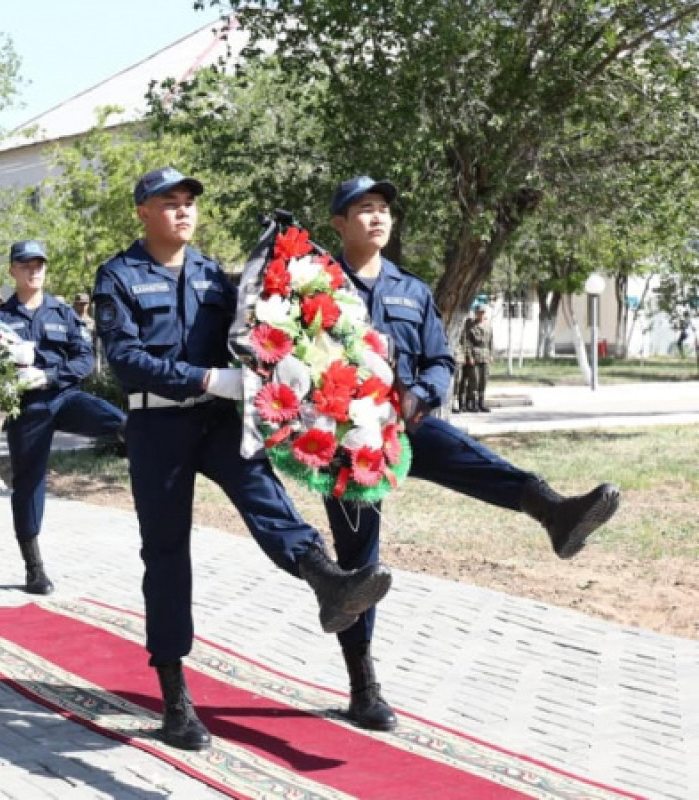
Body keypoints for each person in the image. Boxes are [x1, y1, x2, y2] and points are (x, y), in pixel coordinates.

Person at [91, 167, 393, 752]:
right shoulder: (119, 276)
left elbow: (255, 331)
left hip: (217, 420)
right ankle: (175, 697)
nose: (183, 211)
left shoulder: (212, 275)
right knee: (167, 554)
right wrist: (206, 376)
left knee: (265, 498)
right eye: (169, 202)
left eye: (188, 203)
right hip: (156, 425)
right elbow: (125, 357)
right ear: (143, 213)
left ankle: (328, 581)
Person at [323, 175, 621, 731]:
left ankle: (554, 511)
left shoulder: (410, 290)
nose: (378, 217)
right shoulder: (316, 289)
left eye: (385, 208)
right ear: (339, 223)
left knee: (464, 453)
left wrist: (421, 394)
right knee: (358, 567)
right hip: (348, 441)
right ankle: (363, 688)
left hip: (406, 422)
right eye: (364, 209)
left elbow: (439, 360)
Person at [0, 240, 126, 594]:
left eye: (39, 264)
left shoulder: (62, 312)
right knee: (29, 483)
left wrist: (51, 376)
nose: (34, 270)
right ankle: (33, 566)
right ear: (13, 271)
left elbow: (83, 359)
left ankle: (140, 451)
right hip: (28, 409)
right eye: (26, 264)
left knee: (124, 422)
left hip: (63, 396)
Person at [460, 305, 493, 412]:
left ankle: (481, 403)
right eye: (479, 312)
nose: (481, 314)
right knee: (474, 380)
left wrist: (491, 355)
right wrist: (469, 356)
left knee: (484, 380)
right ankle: (472, 404)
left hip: (485, 355)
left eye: (483, 312)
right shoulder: (471, 326)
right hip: (475, 355)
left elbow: (491, 342)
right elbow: (467, 343)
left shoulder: (488, 325)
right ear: (476, 313)